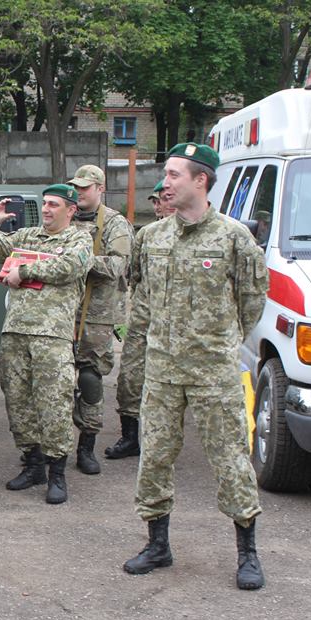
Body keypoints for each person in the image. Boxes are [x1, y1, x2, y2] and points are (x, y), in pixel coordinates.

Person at [122, 143, 268, 590]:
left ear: (200, 180)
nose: (165, 183)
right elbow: (140, 295)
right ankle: (157, 545)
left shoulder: (233, 238)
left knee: (230, 460)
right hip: (162, 371)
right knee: (154, 457)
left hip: (213, 374)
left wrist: (218, 343)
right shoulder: (151, 237)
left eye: (174, 175)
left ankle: (247, 552)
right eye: (165, 174)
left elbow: (252, 301)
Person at [0, 184, 91, 504]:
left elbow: (69, 267)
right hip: (15, 332)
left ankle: (57, 473)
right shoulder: (27, 236)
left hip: (51, 336)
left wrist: (23, 271)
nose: (46, 209)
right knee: (18, 400)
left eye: (54, 204)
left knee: (54, 403)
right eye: (44, 203)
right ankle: (33, 463)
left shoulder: (78, 239)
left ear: (71, 210)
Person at [65, 165, 133, 476]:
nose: (79, 192)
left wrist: (78, 259)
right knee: (54, 380)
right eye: (76, 187)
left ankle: (86, 446)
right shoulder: (64, 215)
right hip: (62, 312)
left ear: (100, 189)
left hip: (97, 315)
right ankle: (48, 448)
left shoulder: (115, 223)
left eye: (85, 187)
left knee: (90, 380)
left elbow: (118, 266)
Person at [107, 181, 175, 460]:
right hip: (144, 321)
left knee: (171, 386)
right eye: (156, 201)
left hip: (177, 326)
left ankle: (163, 442)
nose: (158, 206)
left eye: (163, 199)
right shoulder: (146, 235)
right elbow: (133, 276)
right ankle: (130, 438)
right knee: (130, 379)